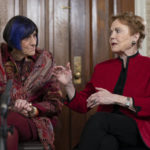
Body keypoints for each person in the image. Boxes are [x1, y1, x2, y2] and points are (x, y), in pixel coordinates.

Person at [53, 12, 150, 150]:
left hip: (138, 131)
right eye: (111, 32)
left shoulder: (148, 66)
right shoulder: (102, 68)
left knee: (99, 119)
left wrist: (116, 98)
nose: (112, 36)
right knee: (107, 143)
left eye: (118, 31)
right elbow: (83, 105)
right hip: (107, 130)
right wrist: (68, 84)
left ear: (135, 36)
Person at [0, 15, 63, 150]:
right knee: (9, 132)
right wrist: (12, 106)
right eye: (27, 37)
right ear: (13, 39)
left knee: (6, 121)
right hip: (6, 117)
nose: (34, 42)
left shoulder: (44, 60)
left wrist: (31, 109)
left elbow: (55, 103)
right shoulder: (1, 57)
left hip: (34, 120)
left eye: (34, 36)